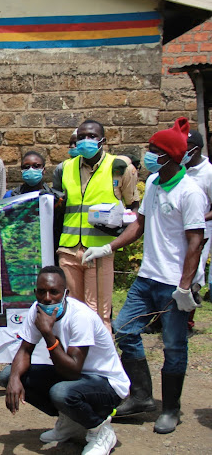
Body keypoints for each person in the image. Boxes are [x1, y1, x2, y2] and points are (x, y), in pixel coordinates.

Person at [83, 117, 205, 434]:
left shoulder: (190, 192)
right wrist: (108, 247)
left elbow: (195, 241)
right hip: (146, 277)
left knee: (174, 346)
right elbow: (138, 224)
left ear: (169, 155)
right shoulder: (152, 183)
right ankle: (141, 396)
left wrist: (185, 286)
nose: (147, 155)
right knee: (124, 329)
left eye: (153, 150)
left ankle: (172, 409)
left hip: (173, 283)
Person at [0, 266, 128, 455]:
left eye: (54, 292)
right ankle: (71, 422)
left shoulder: (80, 316)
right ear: (35, 292)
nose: (47, 298)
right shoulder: (36, 310)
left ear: (66, 293)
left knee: (61, 392)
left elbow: (73, 371)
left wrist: (47, 333)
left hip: (105, 384)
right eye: (42, 292)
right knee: (7, 375)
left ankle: (100, 430)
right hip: (76, 379)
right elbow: (25, 350)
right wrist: (13, 380)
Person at [54, 119, 138, 331]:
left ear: (103, 140)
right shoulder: (65, 168)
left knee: (98, 314)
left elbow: (133, 207)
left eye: (91, 136)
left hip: (99, 250)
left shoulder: (118, 167)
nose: (85, 141)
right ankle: (77, 361)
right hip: (68, 249)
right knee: (73, 311)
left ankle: (101, 362)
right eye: (81, 137)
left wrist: (118, 237)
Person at [182, 129, 212, 291]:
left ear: (197, 149)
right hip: (178, 229)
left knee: (194, 273)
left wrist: (198, 217)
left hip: (200, 232)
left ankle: (189, 313)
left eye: (187, 147)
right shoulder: (180, 169)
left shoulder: (208, 173)